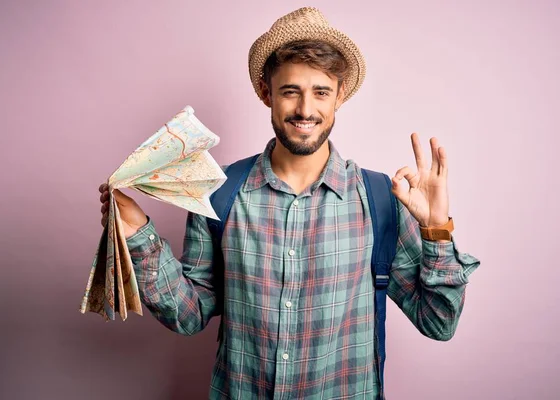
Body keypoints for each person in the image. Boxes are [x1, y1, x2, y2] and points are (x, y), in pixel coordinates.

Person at [98, 7, 480, 400]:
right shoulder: (217, 193)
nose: (305, 109)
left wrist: (437, 232)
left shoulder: (380, 200)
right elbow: (189, 314)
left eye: (321, 92)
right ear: (266, 93)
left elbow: (439, 323)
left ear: (339, 96)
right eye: (290, 91)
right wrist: (139, 234)